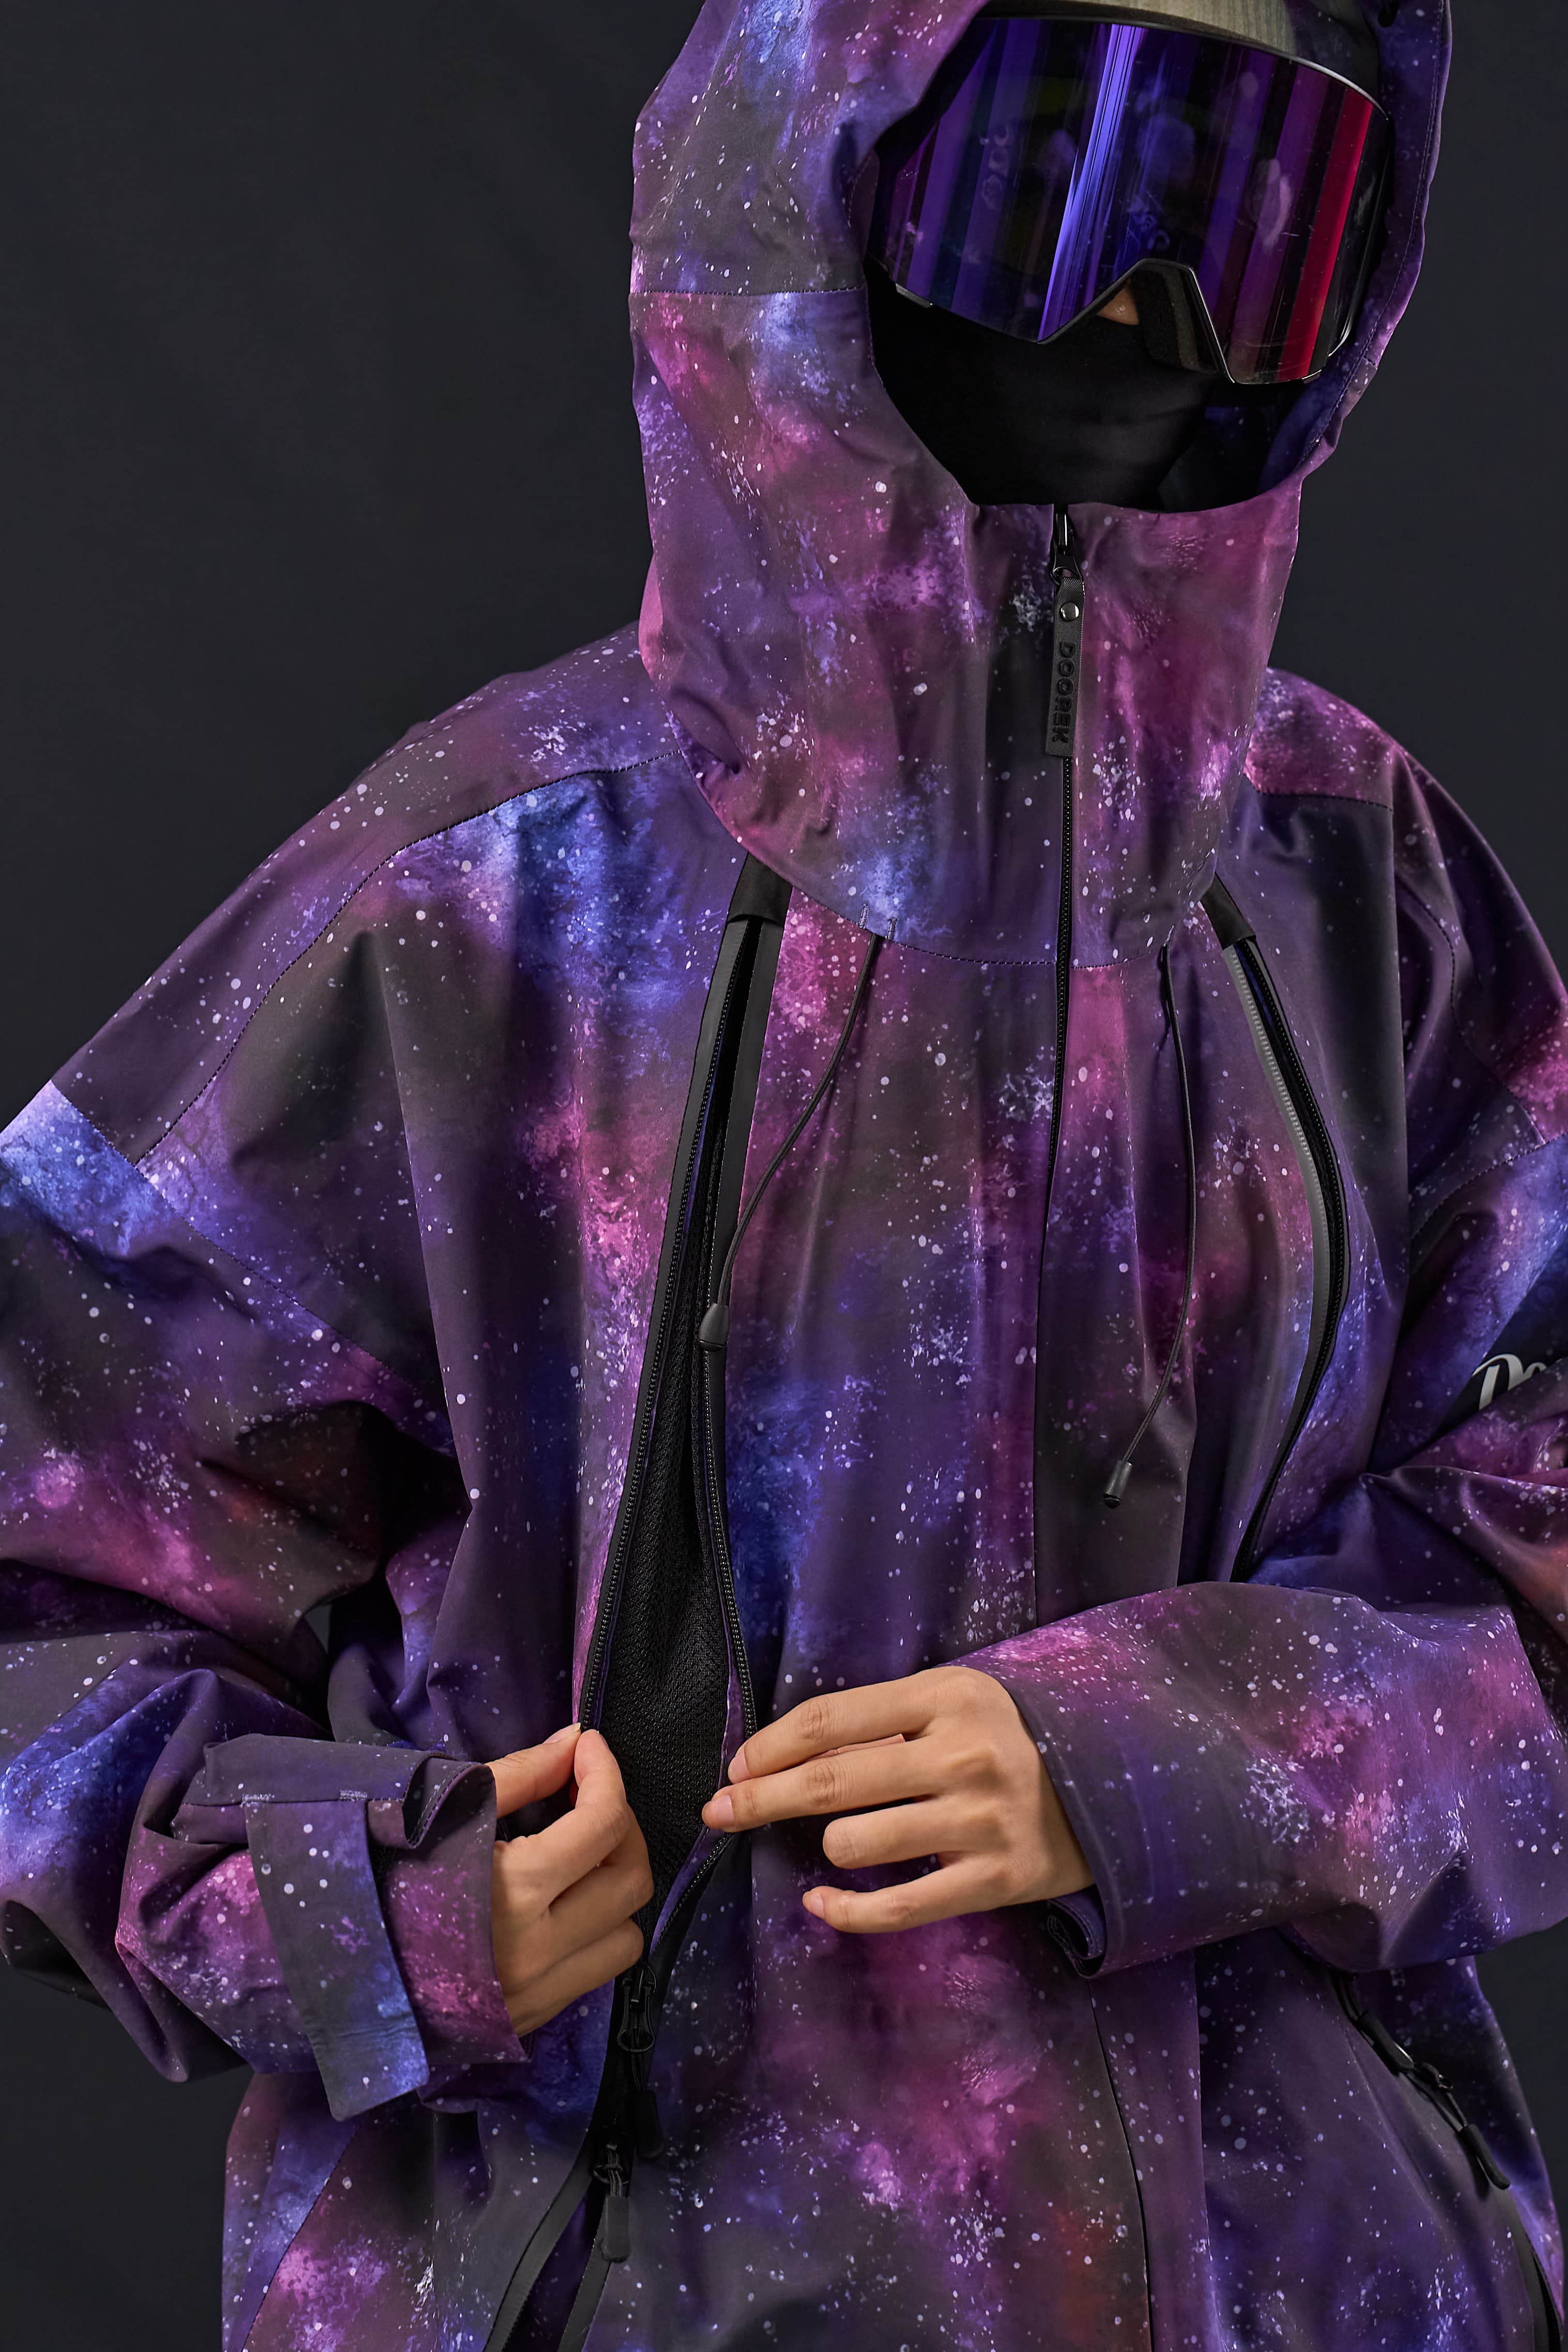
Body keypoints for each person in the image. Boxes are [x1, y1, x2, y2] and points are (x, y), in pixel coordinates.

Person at [1, 0, 1563, 2345]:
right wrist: (368, 1910)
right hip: (633, 2269)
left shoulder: (1357, 884)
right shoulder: (493, 900)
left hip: (1318, 2287)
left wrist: (1205, 1746)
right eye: (1048, 180)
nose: (1145, 318)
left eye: (1254, 215)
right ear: (814, 168)